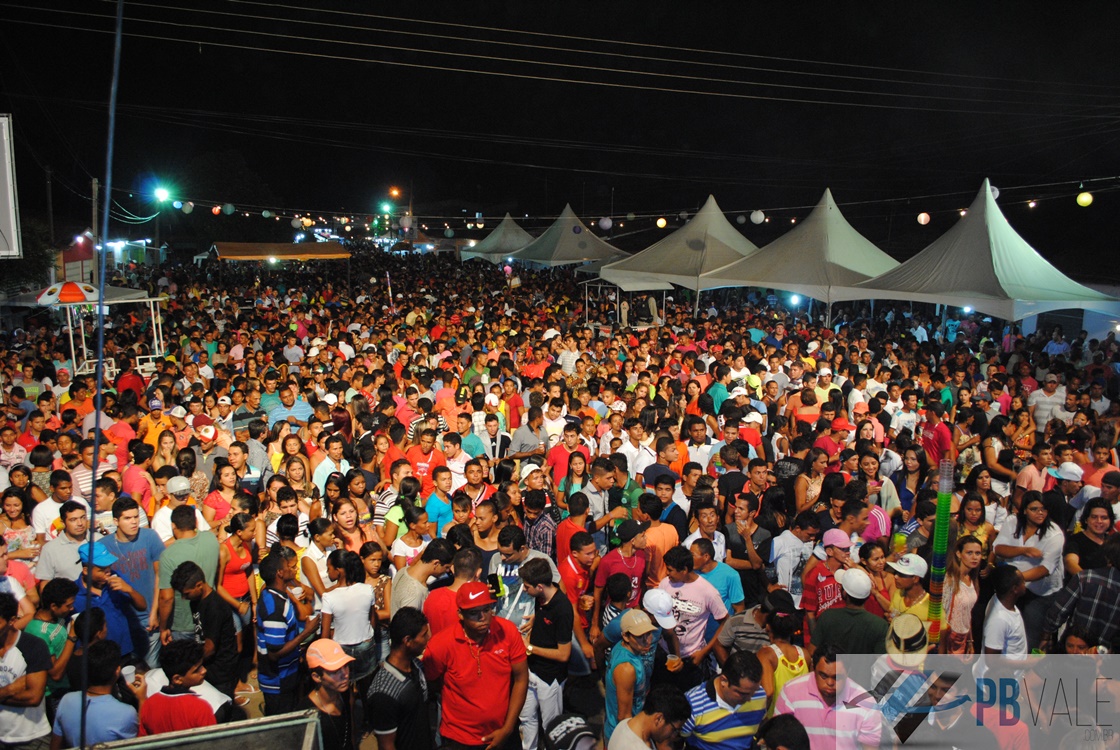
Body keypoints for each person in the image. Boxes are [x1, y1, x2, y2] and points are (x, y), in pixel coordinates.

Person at [422, 581, 529, 750]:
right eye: (474, 612)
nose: (482, 617)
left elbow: (521, 678)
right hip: (459, 740)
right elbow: (429, 682)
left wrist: (508, 728)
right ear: (460, 614)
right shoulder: (441, 644)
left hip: (504, 734)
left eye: (486, 609)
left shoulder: (507, 632)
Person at [773, 644, 881, 750]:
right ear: (813, 669)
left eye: (837, 677)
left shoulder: (866, 703)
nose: (830, 683)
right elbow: (778, 737)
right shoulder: (791, 692)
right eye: (823, 676)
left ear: (848, 672)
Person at [518, 557, 574, 750]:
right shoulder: (541, 598)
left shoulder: (563, 609)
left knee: (551, 727)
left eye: (527, 586)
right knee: (526, 718)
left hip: (550, 679)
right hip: (531, 671)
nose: (524, 589)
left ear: (540, 586)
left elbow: (563, 654)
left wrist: (529, 648)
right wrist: (536, 619)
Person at [256, 550, 320, 715]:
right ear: (280, 573)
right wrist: (306, 632)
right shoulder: (275, 608)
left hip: (287, 676)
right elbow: (274, 654)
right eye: (289, 567)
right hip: (278, 682)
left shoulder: (277, 596)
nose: (294, 570)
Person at [658, 546, 728, 690]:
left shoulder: (708, 592)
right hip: (664, 654)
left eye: (670, 570)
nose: (667, 573)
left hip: (691, 660)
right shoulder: (665, 584)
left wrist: (704, 652)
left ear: (684, 570)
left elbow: (725, 622)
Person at [49, 639, 140, 748]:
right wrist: (142, 700)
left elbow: (55, 745)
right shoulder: (126, 713)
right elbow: (143, 743)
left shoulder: (66, 700)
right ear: (117, 671)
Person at [169, 560, 239, 698]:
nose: (184, 598)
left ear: (199, 585)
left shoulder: (215, 608)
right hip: (208, 668)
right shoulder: (195, 601)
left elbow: (209, 648)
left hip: (220, 672)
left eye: (186, 593)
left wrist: (188, 666)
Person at [367, 607, 434, 750]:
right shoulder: (383, 693)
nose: (428, 638)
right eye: (424, 635)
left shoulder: (417, 666)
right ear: (407, 640)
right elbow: (386, 745)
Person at [1041, 534, 1120, 652]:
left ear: (1107, 555)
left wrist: (1046, 637)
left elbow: (1058, 612)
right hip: (1105, 654)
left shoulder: (1084, 578)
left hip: (1072, 649)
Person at [680, 650, 768, 750]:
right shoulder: (693, 704)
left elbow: (762, 724)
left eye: (755, 691)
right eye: (742, 693)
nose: (750, 699)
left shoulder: (760, 695)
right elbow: (676, 740)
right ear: (724, 681)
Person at [158, 505, 220, 646]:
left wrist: (163, 627)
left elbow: (166, 598)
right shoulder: (211, 539)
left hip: (183, 624)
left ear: (173, 526)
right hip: (211, 616)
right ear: (196, 522)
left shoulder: (168, 555)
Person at [0, 592, 51, 748]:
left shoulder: (34, 647)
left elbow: (34, 698)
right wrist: (10, 690)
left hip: (30, 737)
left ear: (12, 621)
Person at [138, 638, 217, 735]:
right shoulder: (200, 708)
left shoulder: (149, 705)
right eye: (196, 670)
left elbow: (143, 738)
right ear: (177, 679)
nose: (204, 670)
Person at [604, 609, 658, 743]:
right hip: (621, 735)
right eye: (640, 636)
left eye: (648, 633)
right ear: (626, 637)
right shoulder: (626, 669)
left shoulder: (622, 646)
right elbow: (624, 717)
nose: (647, 640)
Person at [810, 567, 888, 654]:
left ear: (845, 593)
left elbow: (812, 651)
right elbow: (882, 659)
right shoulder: (880, 625)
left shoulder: (827, 617)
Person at [298, 639, 358, 750]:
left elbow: (351, 732)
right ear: (317, 677)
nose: (345, 675)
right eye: (335, 671)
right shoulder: (306, 714)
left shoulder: (345, 692)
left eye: (345, 666)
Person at [390, 538, 453, 616]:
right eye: (447, 567)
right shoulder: (414, 592)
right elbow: (408, 623)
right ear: (436, 563)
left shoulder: (403, 571)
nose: (448, 571)